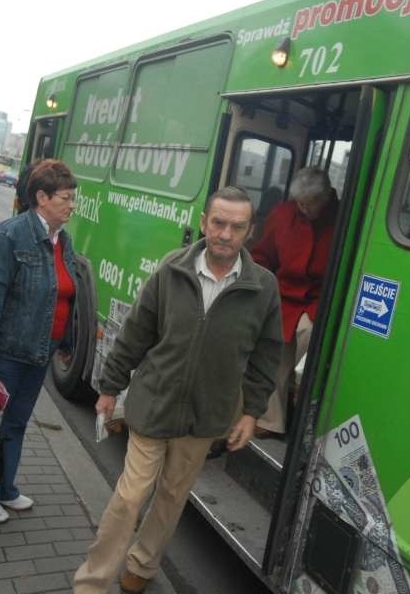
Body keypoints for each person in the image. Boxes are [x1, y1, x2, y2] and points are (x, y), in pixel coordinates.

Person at [73, 186, 283, 594]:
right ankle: (93, 582)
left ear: (249, 232)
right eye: (218, 223)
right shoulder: (173, 268)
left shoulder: (263, 287)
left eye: (236, 227)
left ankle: (142, 566)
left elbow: (266, 355)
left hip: (206, 416)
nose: (225, 233)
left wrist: (251, 411)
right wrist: (110, 386)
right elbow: (136, 331)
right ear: (204, 223)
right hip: (154, 402)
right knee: (130, 497)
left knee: (172, 498)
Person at [0, 159, 78, 523]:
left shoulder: (62, 240)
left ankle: (4, 486)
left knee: (16, 423)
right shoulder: (8, 236)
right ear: (41, 197)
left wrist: (67, 340)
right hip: (8, 352)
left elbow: (64, 293)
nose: (72, 205)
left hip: (39, 351)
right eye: (66, 198)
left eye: (74, 199)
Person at [251, 166, 338, 438]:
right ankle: (271, 421)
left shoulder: (342, 218)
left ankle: (302, 404)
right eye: (300, 203)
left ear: (326, 198)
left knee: (308, 336)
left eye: (311, 203)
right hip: (283, 294)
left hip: (318, 298)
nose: (305, 209)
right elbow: (262, 255)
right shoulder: (282, 215)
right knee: (272, 351)